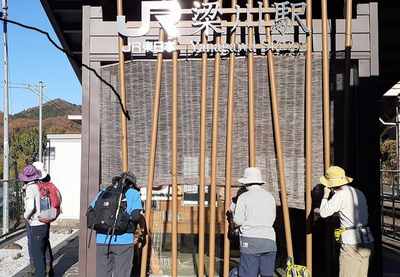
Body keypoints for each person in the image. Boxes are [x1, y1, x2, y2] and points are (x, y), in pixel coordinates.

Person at [319, 166, 374, 277]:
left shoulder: (339, 195)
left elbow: (323, 213)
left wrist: (325, 196)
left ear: (330, 184)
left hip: (351, 241)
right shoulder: (358, 192)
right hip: (366, 237)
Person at [94, 172, 143, 277]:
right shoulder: (134, 193)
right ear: (132, 184)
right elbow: (135, 216)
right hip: (123, 241)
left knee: (102, 274)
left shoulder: (103, 193)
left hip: (102, 240)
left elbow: (91, 212)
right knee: (122, 273)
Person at [232, 167, 277, 277]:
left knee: (248, 274)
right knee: (267, 274)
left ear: (246, 183)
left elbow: (238, 220)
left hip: (250, 241)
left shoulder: (244, 197)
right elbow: (273, 218)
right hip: (270, 241)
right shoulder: (270, 197)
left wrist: (232, 213)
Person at [20, 165, 51, 277]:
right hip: (44, 221)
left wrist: (25, 216)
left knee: (38, 257)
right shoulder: (40, 185)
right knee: (43, 251)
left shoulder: (30, 188)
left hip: (36, 224)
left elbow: (30, 207)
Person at [32, 161, 55, 276]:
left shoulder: (36, 186)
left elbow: (31, 208)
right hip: (47, 216)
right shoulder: (48, 182)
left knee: (38, 248)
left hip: (38, 220)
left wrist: (26, 217)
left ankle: (40, 272)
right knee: (45, 242)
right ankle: (49, 268)